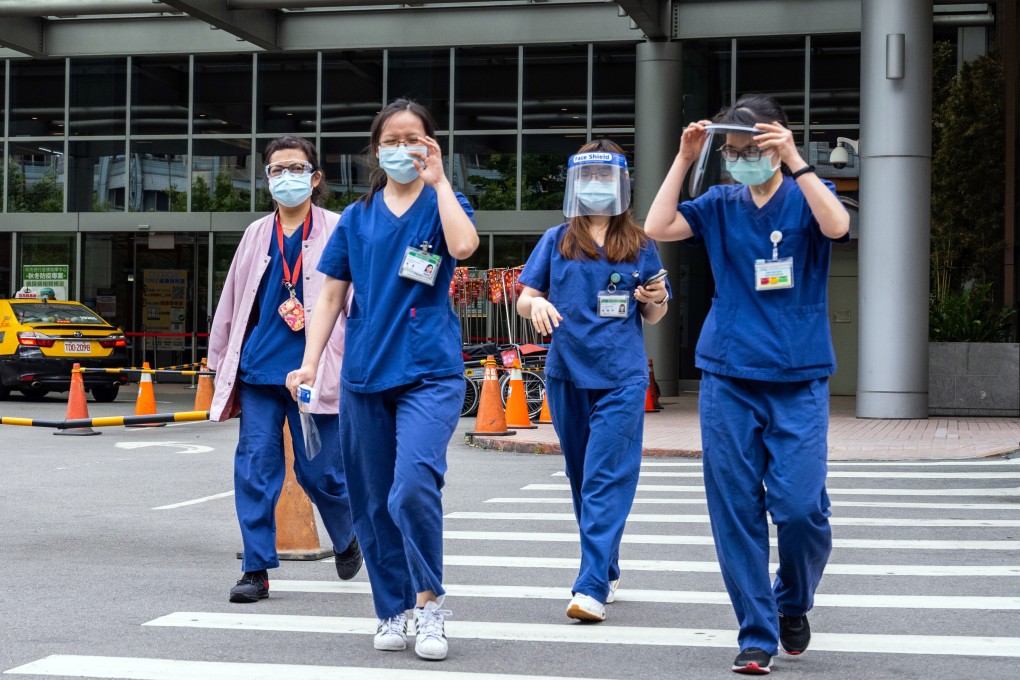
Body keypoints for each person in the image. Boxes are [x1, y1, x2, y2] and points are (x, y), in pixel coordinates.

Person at [644, 94, 850, 674]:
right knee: (735, 508)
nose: (740, 160)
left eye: (750, 149)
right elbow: (658, 225)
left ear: (777, 143)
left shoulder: (807, 196)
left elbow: (838, 225)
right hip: (729, 373)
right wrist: (684, 160)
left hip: (797, 374)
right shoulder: (720, 202)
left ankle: (794, 600)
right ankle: (755, 633)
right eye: (732, 152)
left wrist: (798, 161)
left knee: (801, 508)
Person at [287, 98, 478, 661]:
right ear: (377, 150)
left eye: (412, 138)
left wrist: (441, 184)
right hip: (365, 372)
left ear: (431, 145)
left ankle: (430, 605)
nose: (401, 149)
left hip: (428, 371)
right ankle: (391, 608)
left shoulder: (446, 203)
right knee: (371, 502)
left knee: (413, 487)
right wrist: (310, 360)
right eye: (390, 140)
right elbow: (330, 294)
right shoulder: (358, 216)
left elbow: (464, 248)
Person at [516, 139, 670, 623]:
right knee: (581, 478)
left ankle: (589, 586)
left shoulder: (641, 244)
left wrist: (657, 295)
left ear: (622, 184)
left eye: (607, 177)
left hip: (622, 375)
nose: (598, 186)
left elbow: (655, 313)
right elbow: (525, 296)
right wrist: (534, 303)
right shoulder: (556, 239)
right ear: (576, 184)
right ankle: (607, 563)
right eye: (590, 178)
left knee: (607, 475)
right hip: (567, 373)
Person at [208, 135, 362, 604]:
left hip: (316, 374)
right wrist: (219, 364)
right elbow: (233, 302)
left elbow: (355, 301)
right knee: (255, 468)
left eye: (296, 169)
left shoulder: (339, 228)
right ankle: (255, 569)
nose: (285, 178)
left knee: (320, 473)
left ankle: (347, 533)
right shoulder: (257, 233)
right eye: (276, 170)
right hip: (259, 371)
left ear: (315, 178)